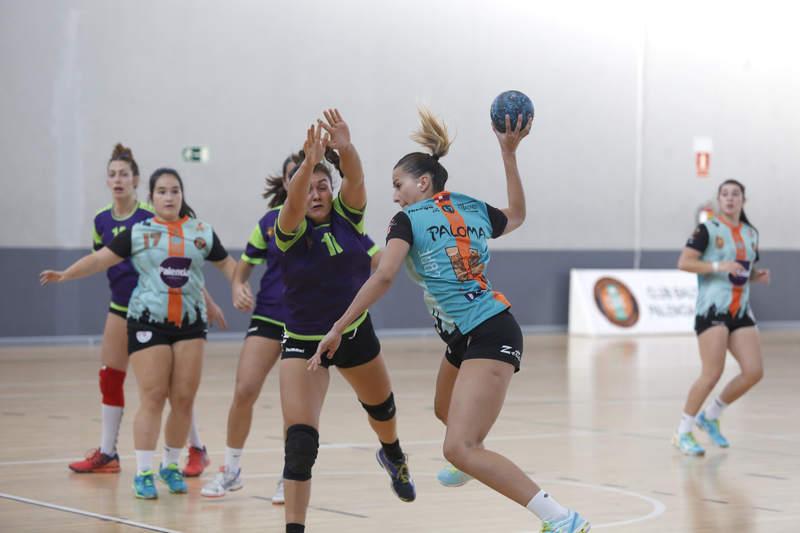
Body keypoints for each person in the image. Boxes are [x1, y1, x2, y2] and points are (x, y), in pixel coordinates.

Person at [311, 109, 590, 533]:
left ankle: (562, 519)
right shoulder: (470, 207)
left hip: (490, 331)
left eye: (397, 185)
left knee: (459, 447)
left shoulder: (407, 219)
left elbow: (384, 274)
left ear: (422, 183)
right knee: (445, 409)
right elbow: (515, 215)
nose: (395, 195)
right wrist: (508, 153)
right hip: (467, 335)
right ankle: (471, 455)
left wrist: (338, 326)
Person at [41, 168, 236, 499]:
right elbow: (99, 259)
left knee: (184, 399)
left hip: (190, 324)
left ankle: (170, 465)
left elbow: (229, 264)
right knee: (154, 395)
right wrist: (65, 274)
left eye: (175, 191)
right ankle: (144, 471)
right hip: (148, 322)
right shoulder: (138, 232)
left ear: (182, 195)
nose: (169, 197)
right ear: (152, 197)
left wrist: (239, 285)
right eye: (162, 191)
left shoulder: (201, 232)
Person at [201, 153, 383, 504]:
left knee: (294, 409)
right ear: (287, 184)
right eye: (296, 178)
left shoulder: (338, 220)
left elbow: (374, 254)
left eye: (318, 183)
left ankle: (290, 474)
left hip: (310, 327)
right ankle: (231, 469)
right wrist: (238, 286)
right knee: (246, 388)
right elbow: (245, 265)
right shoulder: (271, 222)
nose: (308, 189)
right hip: (271, 316)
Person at [276, 110, 414, 533]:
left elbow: (354, 179)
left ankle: (392, 454)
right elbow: (297, 201)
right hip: (304, 344)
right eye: (308, 186)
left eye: (323, 186)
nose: (316, 194)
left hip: (352, 334)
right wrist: (308, 162)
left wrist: (344, 147)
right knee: (300, 444)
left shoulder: (348, 218)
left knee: (383, 411)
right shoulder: (289, 228)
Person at [68, 144, 214, 478]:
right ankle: (107, 452)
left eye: (124, 174)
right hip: (121, 309)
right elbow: (98, 260)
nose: (118, 180)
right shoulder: (101, 220)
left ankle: (196, 448)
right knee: (110, 375)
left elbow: (183, 262)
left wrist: (205, 299)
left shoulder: (153, 214)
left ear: (136, 181)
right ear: (107, 181)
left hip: (160, 311)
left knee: (172, 388)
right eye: (112, 174)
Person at [673, 179, 769, 456]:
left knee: (753, 372)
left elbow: (740, 269)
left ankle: (710, 415)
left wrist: (755, 276)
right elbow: (684, 262)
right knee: (711, 373)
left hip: (740, 310)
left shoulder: (751, 233)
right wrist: (716, 265)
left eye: (735, 194)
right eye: (724, 194)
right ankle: (683, 432)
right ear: (718, 199)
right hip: (712, 310)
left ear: (743, 200)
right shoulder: (707, 229)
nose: (729, 198)